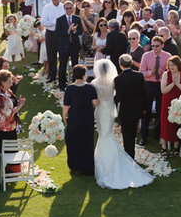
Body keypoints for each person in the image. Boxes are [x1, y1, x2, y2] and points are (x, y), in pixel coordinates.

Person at [89, 59, 154, 189]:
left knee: (103, 134)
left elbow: (112, 97)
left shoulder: (95, 83)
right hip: (111, 109)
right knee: (108, 133)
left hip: (101, 110)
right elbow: (120, 96)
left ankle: (104, 157)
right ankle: (121, 157)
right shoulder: (114, 81)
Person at [62, 65, 99, 175]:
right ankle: (87, 167)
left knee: (73, 141)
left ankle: (74, 166)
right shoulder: (90, 87)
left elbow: (66, 106)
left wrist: (64, 117)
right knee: (87, 141)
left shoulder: (69, 88)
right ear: (84, 75)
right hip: (87, 117)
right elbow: (96, 103)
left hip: (74, 116)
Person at [113, 54, 148, 158]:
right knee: (132, 135)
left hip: (125, 111)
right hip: (137, 109)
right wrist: (145, 108)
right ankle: (131, 155)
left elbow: (119, 97)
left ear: (120, 64)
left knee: (127, 136)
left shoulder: (118, 79)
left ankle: (129, 157)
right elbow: (144, 94)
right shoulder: (139, 75)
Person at [0, 70, 25, 155]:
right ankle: (3, 167)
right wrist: (19, 105)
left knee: (11, 152)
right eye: (9, 82)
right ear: (2, 82)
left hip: (9, 127)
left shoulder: (6, 90)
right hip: (1, 129)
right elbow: (8, 113)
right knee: (3, 153)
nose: (11, 84)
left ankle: (10, 167)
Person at [160, 56, 181, 157]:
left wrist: (177, 84)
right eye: (170, 65)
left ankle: (176, 147)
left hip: (179, 103)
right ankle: (164, 147)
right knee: (165, 123)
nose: (171, 67)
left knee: (177, 123)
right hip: (167, 102)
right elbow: (163, 90)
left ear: (178, 65)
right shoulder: (166, 75)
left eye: (173, 65)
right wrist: (172, 84)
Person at [56, 1, 82, 90]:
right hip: (63, 46)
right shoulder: (60, 19)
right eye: (67, 8)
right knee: (62, 66)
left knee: (75, 65)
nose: (69, 10)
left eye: (70, 8)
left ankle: (75, 84)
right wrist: (68, 30)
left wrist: (74, 30)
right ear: (64, 8)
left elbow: (80, 31)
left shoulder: (76, 18)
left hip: (74, 45)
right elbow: (58, 32)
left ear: (73, 8)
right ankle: (62, 86)